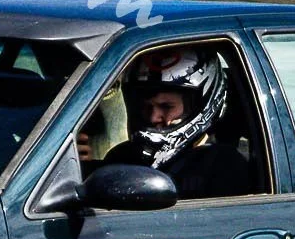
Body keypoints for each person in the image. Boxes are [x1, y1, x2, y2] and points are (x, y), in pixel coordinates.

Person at [99, 46, 251, 199]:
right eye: (145, 106)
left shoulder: (223, 166)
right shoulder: (122, 158)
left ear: (200, 105)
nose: (153, 117)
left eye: (166, 107)